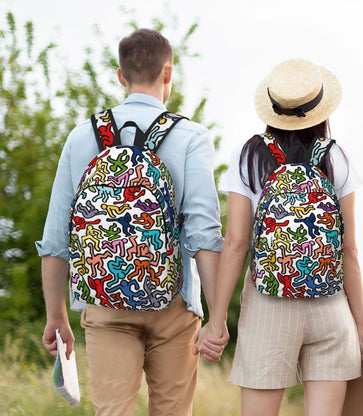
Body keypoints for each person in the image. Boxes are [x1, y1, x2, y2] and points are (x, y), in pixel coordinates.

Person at [36, 28, 228, 416]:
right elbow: (204, 235)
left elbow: (56, 237)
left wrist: (56, 316)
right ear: (168, 74)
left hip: (105, 304)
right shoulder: (191, 137)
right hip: (174, 303)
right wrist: (217, 317)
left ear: (121, 76)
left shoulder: (82, 137)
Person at [194, 58, 363, 416]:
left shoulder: (250, 156)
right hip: (330, 306)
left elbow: (236, 244)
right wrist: (361, 327)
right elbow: (349, 251)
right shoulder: (336, 157)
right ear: (320, 109)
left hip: (268, 306)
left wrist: (216, 321)